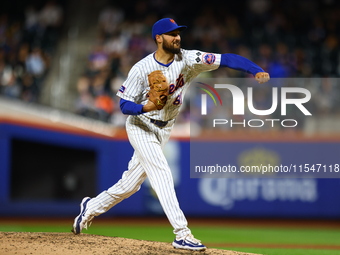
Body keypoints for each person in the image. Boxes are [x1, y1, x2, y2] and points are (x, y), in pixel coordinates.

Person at [72, 17, 270, 251]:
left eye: (178, 33)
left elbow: (226, 59)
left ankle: (90, 207)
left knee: (130, 186)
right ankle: (182, 233)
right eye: (171, 34)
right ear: (158, 38)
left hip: (165, 127)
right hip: (140, 125)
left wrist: (255, 70)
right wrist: (147, 107)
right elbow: (124, 106)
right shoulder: (142, 68)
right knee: (162, 173)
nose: (177, 37)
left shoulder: (188, 59)